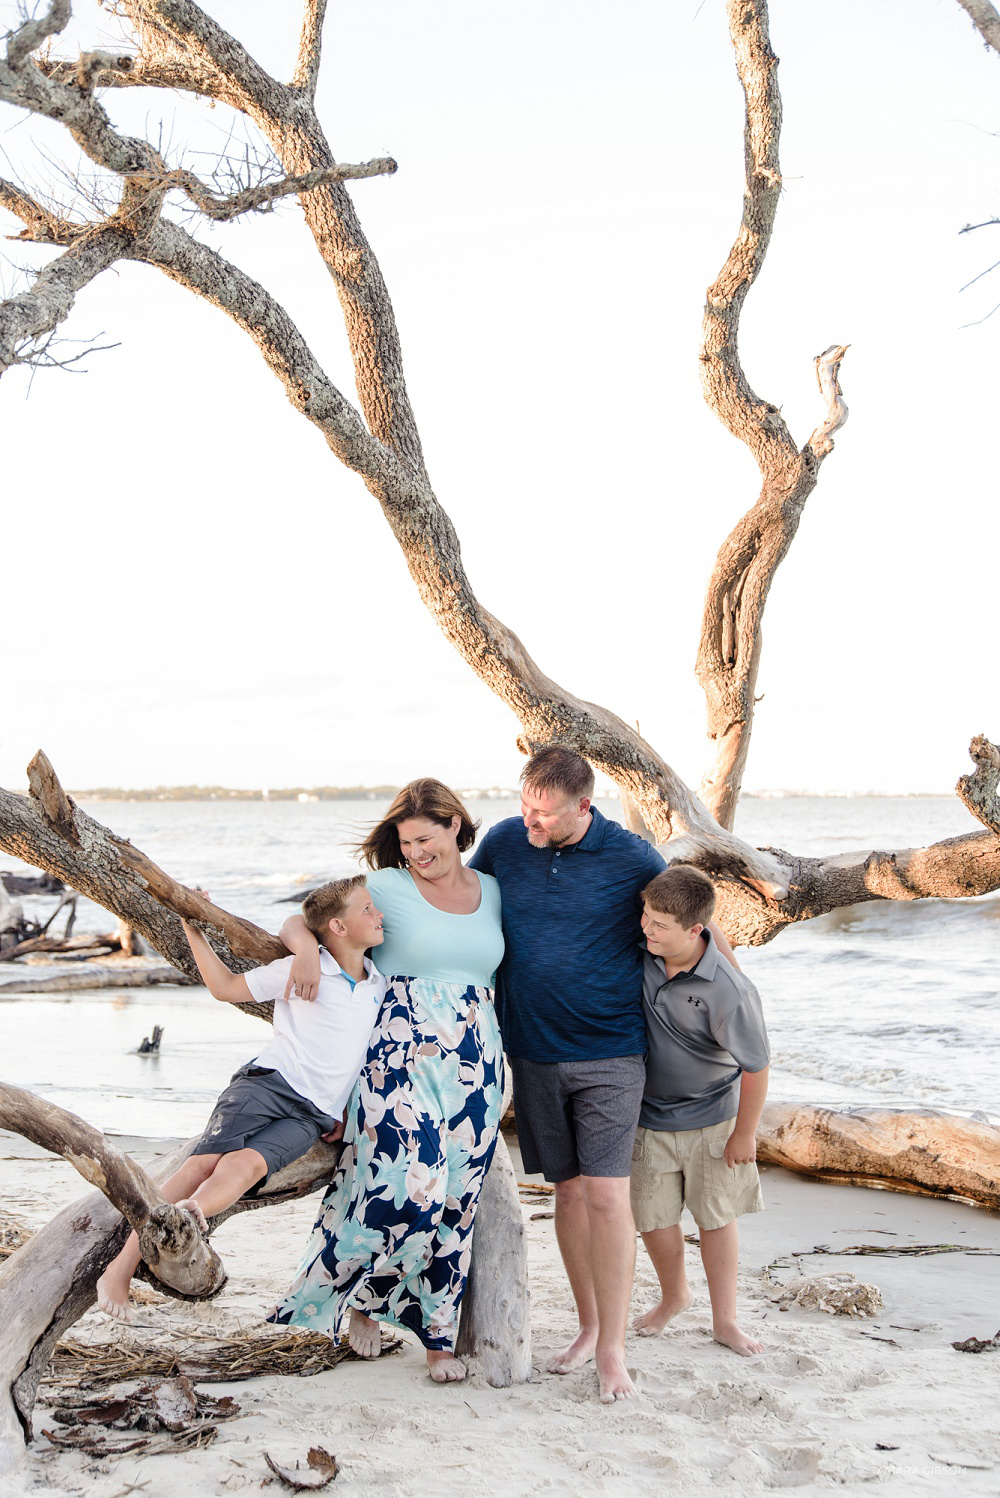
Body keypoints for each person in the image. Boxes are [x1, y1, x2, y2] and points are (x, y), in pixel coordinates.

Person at [469, 745, 738, 1404]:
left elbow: (695, 923)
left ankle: (613, 1350)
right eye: (525, 809)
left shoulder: (633, 857)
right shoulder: (505, 842)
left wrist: (730, 1000)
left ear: (583, 805)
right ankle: (589, 1327)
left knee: (607, 1196)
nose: (530, 825)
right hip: (531, 1052)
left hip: (614, 1053)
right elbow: (459, 900)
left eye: (546, 815)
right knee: (566, 1194)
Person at [270, 779, 505, 1385]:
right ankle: (360, 1299)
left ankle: (436, 1340)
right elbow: (304, 916)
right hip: (401, 1059)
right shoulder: (389, 886)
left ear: (455, 824)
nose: (415, 854)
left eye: (425, 839)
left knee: (455, 1204)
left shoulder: (494, 891)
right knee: (402, 1190)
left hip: (477, 1067)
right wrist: (301, 951)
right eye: (405, 844)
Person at [96, 876, 386, 1323]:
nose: (378, 915)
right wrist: (195, 928)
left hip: (312, 1115)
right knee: (200, 1164)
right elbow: (226, 987)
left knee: (246, 1166)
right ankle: (120, 1267)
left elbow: (357, 1056)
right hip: (267, 1083)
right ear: (339, 927)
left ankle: (193, 1213)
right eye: (367, 909)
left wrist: (347, 1108)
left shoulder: (379, 985)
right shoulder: (305, 967)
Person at [632, 865, 769, 1357]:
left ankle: (725, 1320)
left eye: (659, 924)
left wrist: (745, 1134)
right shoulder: (648, 951)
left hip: (714, 1120)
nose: (646, 928)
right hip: (650, 1118)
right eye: (645, 918)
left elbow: (757, 1065)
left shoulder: (729, 990)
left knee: (716, 1218)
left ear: (695, 931)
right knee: (652, 1217)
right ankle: (674, 1296)